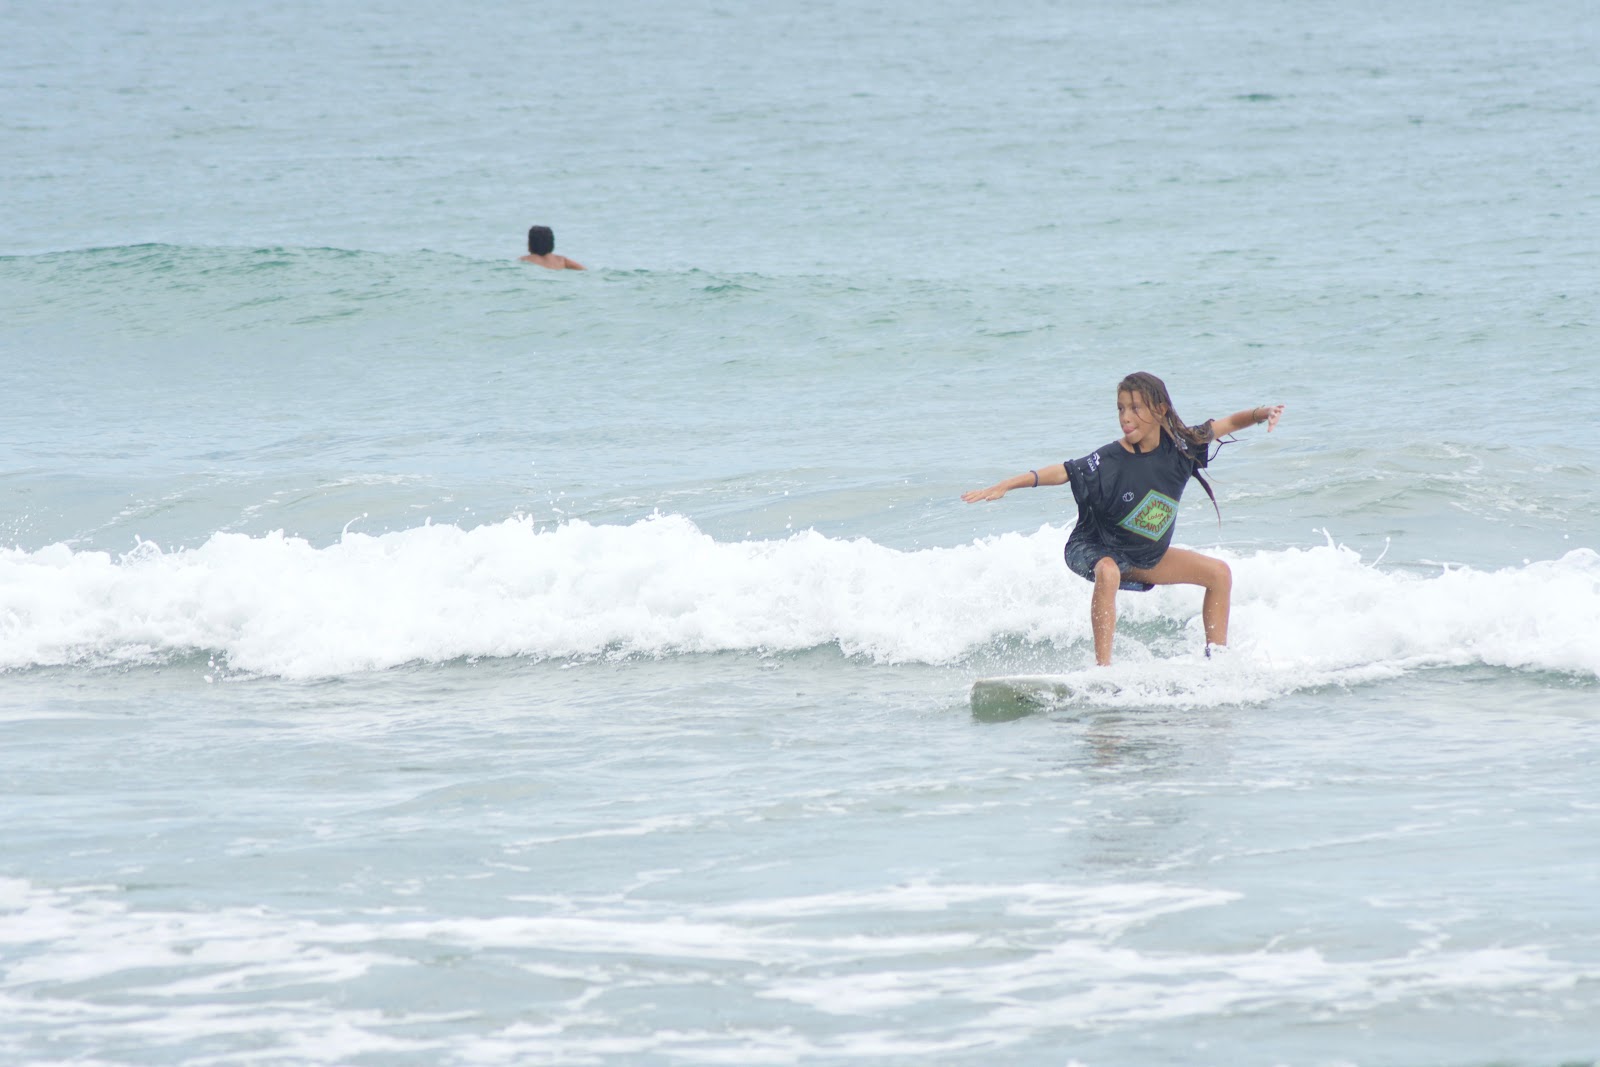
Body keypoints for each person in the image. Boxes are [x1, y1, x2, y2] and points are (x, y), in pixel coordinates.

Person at [962, 371, 1284, 666]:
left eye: (1134, 408)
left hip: (1145, 556)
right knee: (1108, 570)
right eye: (1120, 409)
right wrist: (1007, 484)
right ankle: (1103, 671)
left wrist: (1261, 413)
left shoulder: (1182, 447)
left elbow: (1226, 424)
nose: (1125, 418)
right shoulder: (1110, 459)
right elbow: (1062, 472)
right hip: (1094, 546)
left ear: (1159, 410)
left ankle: (1218, 662)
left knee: (1219, 574)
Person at [519, 225, 585, 270]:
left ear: (531, 243)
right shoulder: (562, 260)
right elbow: (584, 270)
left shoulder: (525, 259)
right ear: (551, 243)